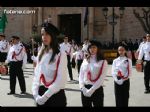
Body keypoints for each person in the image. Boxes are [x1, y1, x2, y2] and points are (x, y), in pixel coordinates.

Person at [32, 23, 67, 107]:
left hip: (55, 95)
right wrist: (35, 94)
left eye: (47, 34)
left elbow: (60, 79)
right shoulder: (41, 51)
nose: (44, 37)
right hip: (41, 92)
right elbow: (37, 75)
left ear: (53, 36)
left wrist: (45, 97)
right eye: (42, 34)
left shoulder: (60, 54)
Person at [79, 40, 108, 107]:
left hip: (97, 89)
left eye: (94, 47)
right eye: (90, 47)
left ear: (98, 49)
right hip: (85, 89)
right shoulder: (85, 60)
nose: (92, 49)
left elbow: (102, 78)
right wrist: (82, 88)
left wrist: (91, 90)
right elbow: (81, 75)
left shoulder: (103, 61)